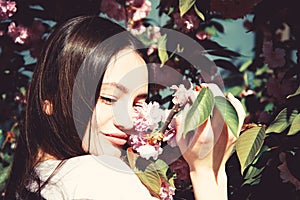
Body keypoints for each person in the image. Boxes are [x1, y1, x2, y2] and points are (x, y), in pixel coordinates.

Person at [3, 15, 245, 200]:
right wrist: (205, 171)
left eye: (138, 103)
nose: (128, 121)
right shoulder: (99, 176)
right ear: (50, 100)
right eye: (109, 98)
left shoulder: (34, 183)